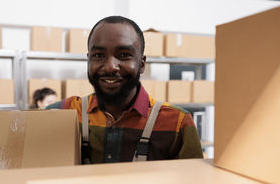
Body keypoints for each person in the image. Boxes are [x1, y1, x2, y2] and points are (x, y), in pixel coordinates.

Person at [46, 16, 203, 164]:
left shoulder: (177, 123)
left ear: (141, 64)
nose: (110, 67)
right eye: (99, 55)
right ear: (89, 60)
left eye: (124, 55)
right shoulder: (64, 113)